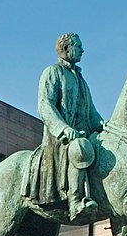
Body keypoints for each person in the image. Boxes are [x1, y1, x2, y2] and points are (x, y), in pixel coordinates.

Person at [24, 32, 104, 220]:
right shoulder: (52, 72)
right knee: (80, 148)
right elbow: (45, 106)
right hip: (61, 137)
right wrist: (64, 129)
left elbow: (91, 111)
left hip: (83, 132)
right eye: (78, 46)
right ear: (66, 48)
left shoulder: (81, 79)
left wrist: (102, 124)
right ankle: (76, 202)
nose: (82, 50)